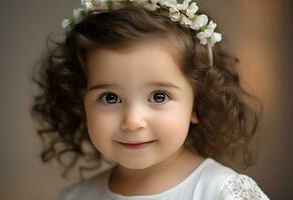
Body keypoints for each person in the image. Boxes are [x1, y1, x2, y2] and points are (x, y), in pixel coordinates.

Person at [31, 0, 270, 199]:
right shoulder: (76, 197)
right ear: (81, 103)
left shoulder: (222, 192)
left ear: (197, 104)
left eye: (159, 96)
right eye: (110, 97)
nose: (133, 121)